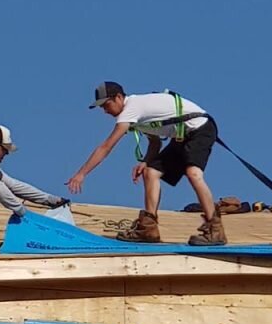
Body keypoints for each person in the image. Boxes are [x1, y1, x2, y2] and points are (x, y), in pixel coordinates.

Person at [66, 82, 223, 246]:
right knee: (151, 172)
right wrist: (145, 161)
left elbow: (106, 147)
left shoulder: (131, 109)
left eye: (107, 105)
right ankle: (149, 228)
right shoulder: (137, 117)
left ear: (119, 97)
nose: (105, 111)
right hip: (183, 136)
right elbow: (155, 143)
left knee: (193, 173)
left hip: (201, 128)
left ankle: (215, 229)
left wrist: (81, 173)